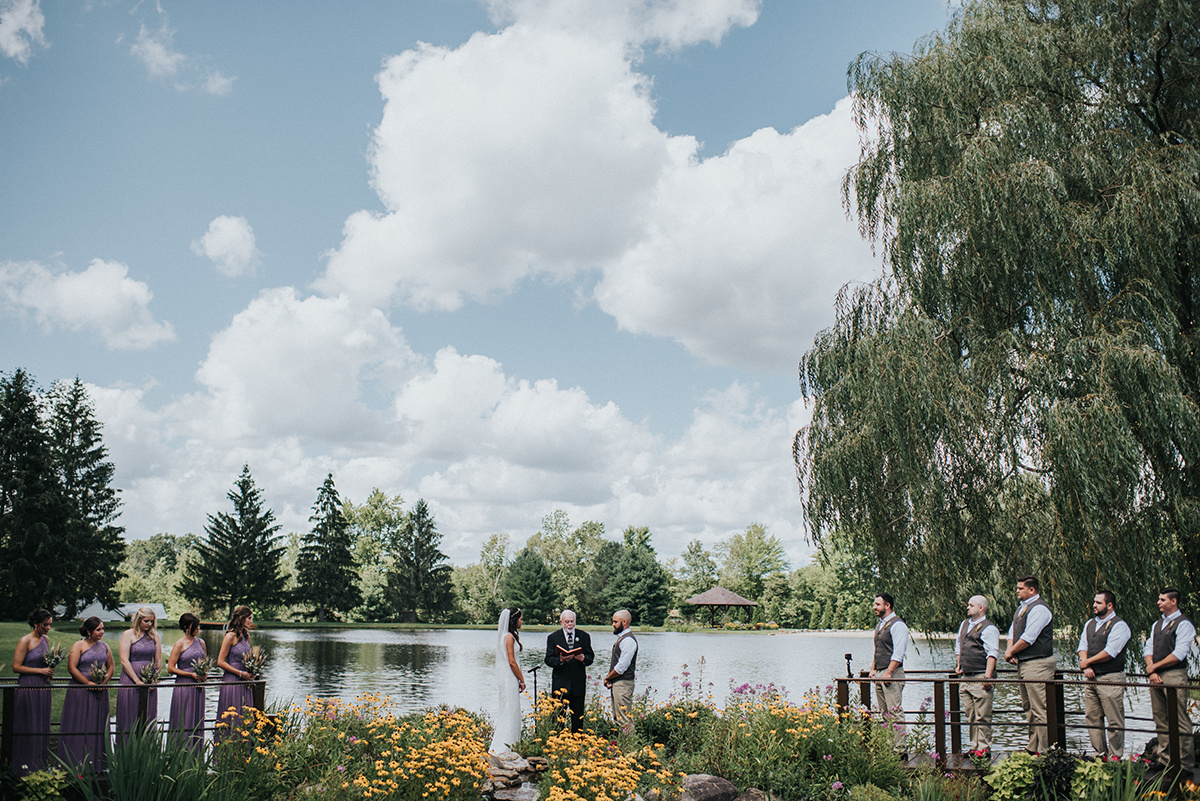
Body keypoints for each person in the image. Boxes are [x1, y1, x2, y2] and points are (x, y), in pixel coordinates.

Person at [1004, 574, 1056, 754]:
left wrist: (1011, 652)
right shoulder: (1021, 609)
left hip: (1038, 664)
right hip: (1025, 664)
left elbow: (1029, 637)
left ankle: (1044, 750)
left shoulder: (1039, 609)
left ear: (1032, 590)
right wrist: (1010, 650)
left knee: (1040, 708)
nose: (1017, 591)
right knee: (1029, 707)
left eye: (1020, 588)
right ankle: (1033, 746)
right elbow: (1013, 632)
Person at [1143, 588, 1195, 770]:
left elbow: (1179, 654)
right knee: (1160, 718)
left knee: (1179, 718)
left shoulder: (1184, 624)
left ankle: (1185, 764)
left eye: (1162, 599)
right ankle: (1165, 759)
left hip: (1174, 675)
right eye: (1159, 599)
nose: (1158, 602)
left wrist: (1155, 667)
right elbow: (1148, 648)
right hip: (1155, 675)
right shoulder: (1157, 624)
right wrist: (1151, 671)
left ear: (1174, 602)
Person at [1077, 590, 1130, 759]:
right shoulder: (1089, 624)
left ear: (1109, 605)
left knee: (1114, 719)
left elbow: (1110, 652)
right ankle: (1099, 753)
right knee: (1092, 717)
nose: (1094, 605)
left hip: (1111, 678)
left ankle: (1115, 757)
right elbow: (1082, 647)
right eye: (1094, 602)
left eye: (1098, 603)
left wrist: (1088, 662)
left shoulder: (1120, 626)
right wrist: (1085, 666)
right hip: (1091, 677)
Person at [57, 617, 113, 772]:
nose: (102, 632)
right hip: (80, 690)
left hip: (100, 692)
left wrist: (103, 682)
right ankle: (75, 762)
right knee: (79, 722)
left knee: (97, 723)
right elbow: (72, 668)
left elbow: (111, 667)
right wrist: (88, 683)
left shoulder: (105, 646)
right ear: (89, 631)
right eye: (98, 629)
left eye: (102, 628)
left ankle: (96, 763)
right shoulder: (78, 645)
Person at [11, 609, 55, 775]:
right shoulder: (25, 641)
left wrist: (49, 671)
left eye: (50, 624)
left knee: (41, 724)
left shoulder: (46, 639)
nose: (48, 628)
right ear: (36, 624)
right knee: (28, 724)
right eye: (45, 625)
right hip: (28, 686)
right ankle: (23, 767)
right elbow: (16, 667)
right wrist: (41, 671)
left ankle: (39, 765)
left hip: (43, 687)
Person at [954, 595, 998, 753]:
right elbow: (959, 645)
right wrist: (959, 665)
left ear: (981, 608)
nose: (967, 607)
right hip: (966, 677)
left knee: (983, 716)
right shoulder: (964, 624)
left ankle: (984, 749)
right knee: (971, 714)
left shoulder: (989, 628)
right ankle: (974, 747)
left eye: (971, 605)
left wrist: (988, 676)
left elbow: (992, 653)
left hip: (980, 676)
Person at [116, 606, 162, 744]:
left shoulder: (155, 636)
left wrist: (153, 679)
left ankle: (146, 752)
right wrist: (137, 681)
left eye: (151, 622)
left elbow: (158, 661)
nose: (149, 624)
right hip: (131, 679)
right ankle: (126, 752)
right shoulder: (128, 634)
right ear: (139, 620)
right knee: (129, 715)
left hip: (149, 681)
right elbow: (124, 660)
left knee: (147, 717)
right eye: (146, 621)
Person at [869, 593, 909, 748]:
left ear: (888, 605)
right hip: (880, 673)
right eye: (875, 604)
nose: (874, 607)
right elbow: (878, 650)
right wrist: (873, 669)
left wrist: (889, 672)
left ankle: (900, 749)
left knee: (895, 711)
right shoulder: (880, 625)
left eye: (878, 604)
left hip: (891, 674)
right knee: (885, 713)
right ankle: (889, 746)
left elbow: (898, 652)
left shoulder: (898, 625)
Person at [544, 609, 594, 732]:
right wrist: (561, 660)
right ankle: (557, 742)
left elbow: (590, 657)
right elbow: (548, 660)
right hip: (560, 683)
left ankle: (577, 744)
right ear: (561, 622)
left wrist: (583, 658)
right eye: (567, 622)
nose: (570, 624)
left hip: (578, 684)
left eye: (572, 621)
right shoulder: (553, 637)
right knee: (558, 717)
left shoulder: (584, 636)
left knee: (577, 717)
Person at [167, 613, 207, 753]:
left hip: (198, 687)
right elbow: (171, 668)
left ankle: (196, 756)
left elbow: (204, 663)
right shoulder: (179, 644)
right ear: (186, 627)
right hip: (184, 685)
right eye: (195, 626)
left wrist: (204, 675)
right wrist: (190, 674)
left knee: (196, 719)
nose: (198, 628)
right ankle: (179, 754)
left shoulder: (201, 642)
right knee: (183, 718)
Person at [215, 605, 255, 744]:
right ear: (241, 618)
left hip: (244, 682)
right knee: (232, 719)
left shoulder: (245, 637)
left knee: (244, 718)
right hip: (232, 681)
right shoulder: (230, 636)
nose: (251, 621)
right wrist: (240, 673)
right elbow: (220, 662)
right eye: (249, 618)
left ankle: (243, 755)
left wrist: (251, 671)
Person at [489, 606, 524, 754]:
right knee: (510, 710)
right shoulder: (508, 637)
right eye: (521, 619)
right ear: (514, 620)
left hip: (509, 677)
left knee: (511, 710)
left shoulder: (509, 636)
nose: (522, 621)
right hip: (510, 677)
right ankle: (504, 746)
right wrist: (522, 679)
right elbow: (512, 661)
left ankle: (511, 744)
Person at [603, 609, 638, 735]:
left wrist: (608, 678)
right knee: (618, 718)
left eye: (615, 622)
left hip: (623, 684)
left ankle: (630, 748)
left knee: (624, 719)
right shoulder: (622, 639)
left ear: (624, 622)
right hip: (619, 683)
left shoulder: (628, 641)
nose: (613, 624)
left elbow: (621, 667)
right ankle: (623, 748)